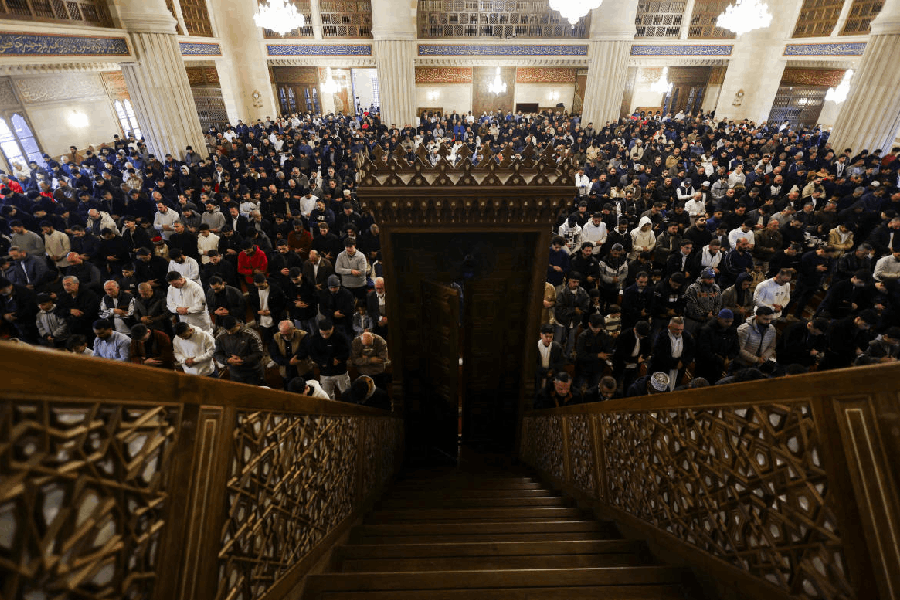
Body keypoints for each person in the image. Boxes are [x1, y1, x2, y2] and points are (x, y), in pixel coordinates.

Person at [214, 315, 265, 385]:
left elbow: (259, 354)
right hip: (234, 373)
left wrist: (242, 360)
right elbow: (217, 353)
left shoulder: (251, 334)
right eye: (227, 330)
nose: (229, 333)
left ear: (238, 325)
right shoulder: (220, 336)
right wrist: (227, 360)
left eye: (232, 330)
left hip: (253, 371)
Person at [309, 318, 352, 399]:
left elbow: (347, 352)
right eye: (322, 334)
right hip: (325, 372)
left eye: (327, 334)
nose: (325, 336)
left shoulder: (341, 336)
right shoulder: (315, 338)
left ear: (332, 328)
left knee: (346, 393)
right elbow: (313, 355)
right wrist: (325, 361)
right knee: (327, 396)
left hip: (340, 371)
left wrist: (339, 359)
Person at [649, 317, 695, 391]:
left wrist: (682, 362)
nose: (679, 332)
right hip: (663, 369)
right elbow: (660, 355)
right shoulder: (662, 336)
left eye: (681, 329)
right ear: (669, 327)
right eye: (676, 329)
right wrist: (675, 364)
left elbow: (690, 352)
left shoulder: (686, 336)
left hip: (679, 370)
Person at [695, 309, 739, 383]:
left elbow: (736, 347)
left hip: (720, 366)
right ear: (719, 319)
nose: (729, 324)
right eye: (726, 321)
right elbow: (703, 350)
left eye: (731, 321)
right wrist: (720, 359)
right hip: (705, 365)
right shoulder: (706, 330)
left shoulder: (732, 330)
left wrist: (729, 357)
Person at [553, 271, 589, 359]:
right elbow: (559, 309)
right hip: (562, 321)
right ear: (569, 281)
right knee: (559, 340)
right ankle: (558, 358)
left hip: (575, 321)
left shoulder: (582, 292)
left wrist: (581, 311)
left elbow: (586, 306)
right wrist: (574, 310)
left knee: (571, 341)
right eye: (574, 282)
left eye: (577, 282)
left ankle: (567, 357)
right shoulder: (562, 293)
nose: (576, 284)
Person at [573, 313, 613, 392]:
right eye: (595, 327)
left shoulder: (605, 336)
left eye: (599, 328)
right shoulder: (582, 336)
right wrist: (597, 355)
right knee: (577, 389)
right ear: (589, 324)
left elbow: (608, 350)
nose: (597, 329)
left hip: (597, 368)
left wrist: (607, 356)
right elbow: (580, 355)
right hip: (582, 368)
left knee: (593, 390)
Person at [269, 320, 313, 387]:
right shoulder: (276, 337)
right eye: (283, 335)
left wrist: (297, 357)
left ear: (294, 329)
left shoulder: (303, 335)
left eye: (288, 334)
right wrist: (289, 361)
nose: (286, 337)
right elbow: (274, 354)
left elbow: (305, 350)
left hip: (303, 370)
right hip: (286, 371)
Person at [734, 306, 777, 371]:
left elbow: (772, 346)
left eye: (770, 319)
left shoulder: (771, 329)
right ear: (757, 317)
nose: (768, 322)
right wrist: (756, 359)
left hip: (760, 363)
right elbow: (740, 349)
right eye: (765, 319)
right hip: (743, 363)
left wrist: (764, 357)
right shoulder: (744, 329)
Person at [247, 272, 286, 343]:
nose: (260, 288)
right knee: (267, 340)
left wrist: (271, 312)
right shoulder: (253, 291)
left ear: (265, 281)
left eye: (261, 286)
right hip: (262, 320)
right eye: (258, 286)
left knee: (279, 340)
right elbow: (252, 305)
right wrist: (257, 312)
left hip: (276, 318)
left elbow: (282, 304)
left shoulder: (275, 289)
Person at [683, 268, 722, 335]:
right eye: (709, 279)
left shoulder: (716, 288)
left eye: (712, 279)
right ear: (703, 278)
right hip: (695, 320)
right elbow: (692, 306)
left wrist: (714, 312)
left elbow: (719, 303)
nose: (711, 281)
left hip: (710, 320)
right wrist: (705, 314)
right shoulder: (693, 288)